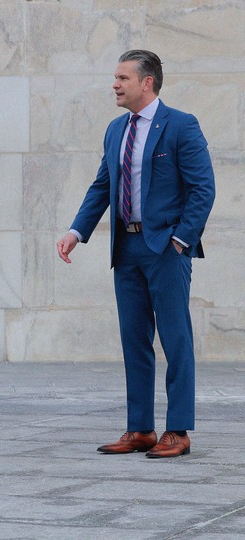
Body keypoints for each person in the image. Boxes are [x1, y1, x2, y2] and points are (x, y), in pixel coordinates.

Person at [56, 50, 216, 459]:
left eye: (123, 78)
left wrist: (181, 240)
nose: (115, 84)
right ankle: (141, 428)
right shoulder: (115, 130)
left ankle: (177, 430)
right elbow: (101, 186)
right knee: (133, 339)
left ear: (147, 83)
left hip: (166, 248)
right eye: (115, 77)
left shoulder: (181, 126)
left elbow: (203, 190)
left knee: (175, 338)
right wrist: (77, 231)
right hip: (125, 249)